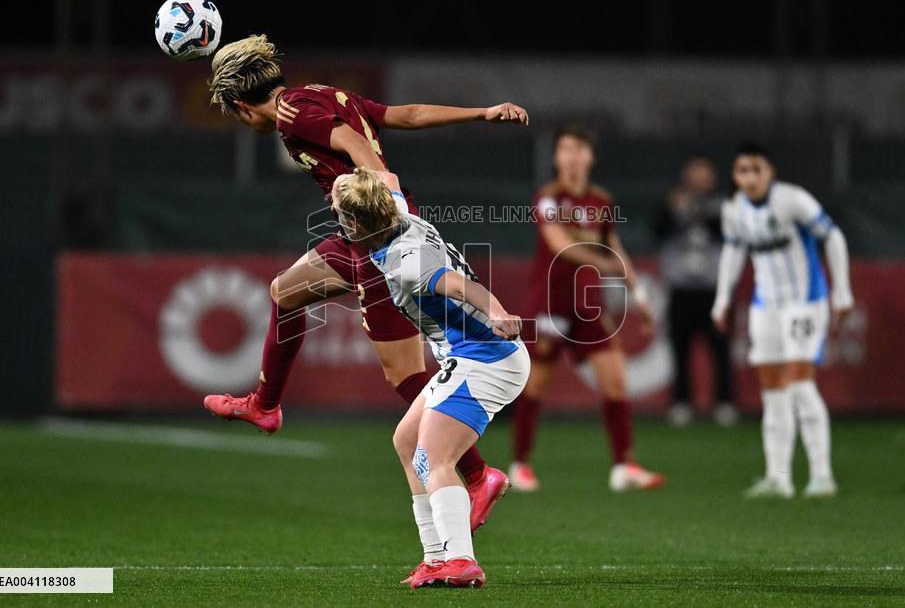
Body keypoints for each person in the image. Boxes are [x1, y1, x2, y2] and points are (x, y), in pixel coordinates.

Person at [200, 35, 529, 529]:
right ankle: (265, 406)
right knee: (284, 291)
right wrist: (481, 112)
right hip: (355, 235)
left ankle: (479, 475)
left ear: (243, 106)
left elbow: (353, 144)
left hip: (380, 240)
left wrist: (388, 196)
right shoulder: (322, 93)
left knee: (402, 374)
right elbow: (407, 115)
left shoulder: (291, 113)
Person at [332, 167, 529, 589]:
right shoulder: (393, 213)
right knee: (406, 442)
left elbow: (459, 287)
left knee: (433, 457)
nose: (340, 223)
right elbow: (388, 176)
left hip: (486, 359)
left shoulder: (409, 263)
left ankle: (460, 559)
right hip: (469, 357)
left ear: (360, 222)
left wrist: (495, 312)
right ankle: (435, 557)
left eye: (344, 216)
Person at [510, 126, 665, 493]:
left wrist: (639, 295)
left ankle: (623, 465)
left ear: (590, 158)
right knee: (537, 385)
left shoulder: (601, 200)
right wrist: (609, 265)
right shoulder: (548, 198)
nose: (572, 156)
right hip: (551, 303)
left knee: (615, 381)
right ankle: (520, 465)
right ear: (556, 157)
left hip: (587, 305)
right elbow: (560, 244)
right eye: (565, 149)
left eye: (579, 150)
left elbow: (615, 245)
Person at [711, 143, 853, 499]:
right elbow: (733, 250)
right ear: (735, 176)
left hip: (804, 302)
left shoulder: (792, 200)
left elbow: (832, 236)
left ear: (769, 172)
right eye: (743, 171)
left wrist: (842, 291)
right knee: (773, 393)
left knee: (800, 385)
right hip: (766, 307)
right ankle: (779, 477)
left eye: (756, 169)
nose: (750, 177)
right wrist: (723, 299)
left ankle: (822, 476)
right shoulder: (733, 209)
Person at [655, 156, 735, 426]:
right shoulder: (673, 202)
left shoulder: (723, 205)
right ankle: (681, 402)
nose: (699, 181)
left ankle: (724, 402)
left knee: (720, 349)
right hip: (681, 289)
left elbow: (727, 232)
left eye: (704, 175)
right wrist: (671, 210)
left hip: (713, 289)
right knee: (680, 349)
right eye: (694, 175)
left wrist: (698, 211)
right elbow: (658, 230)